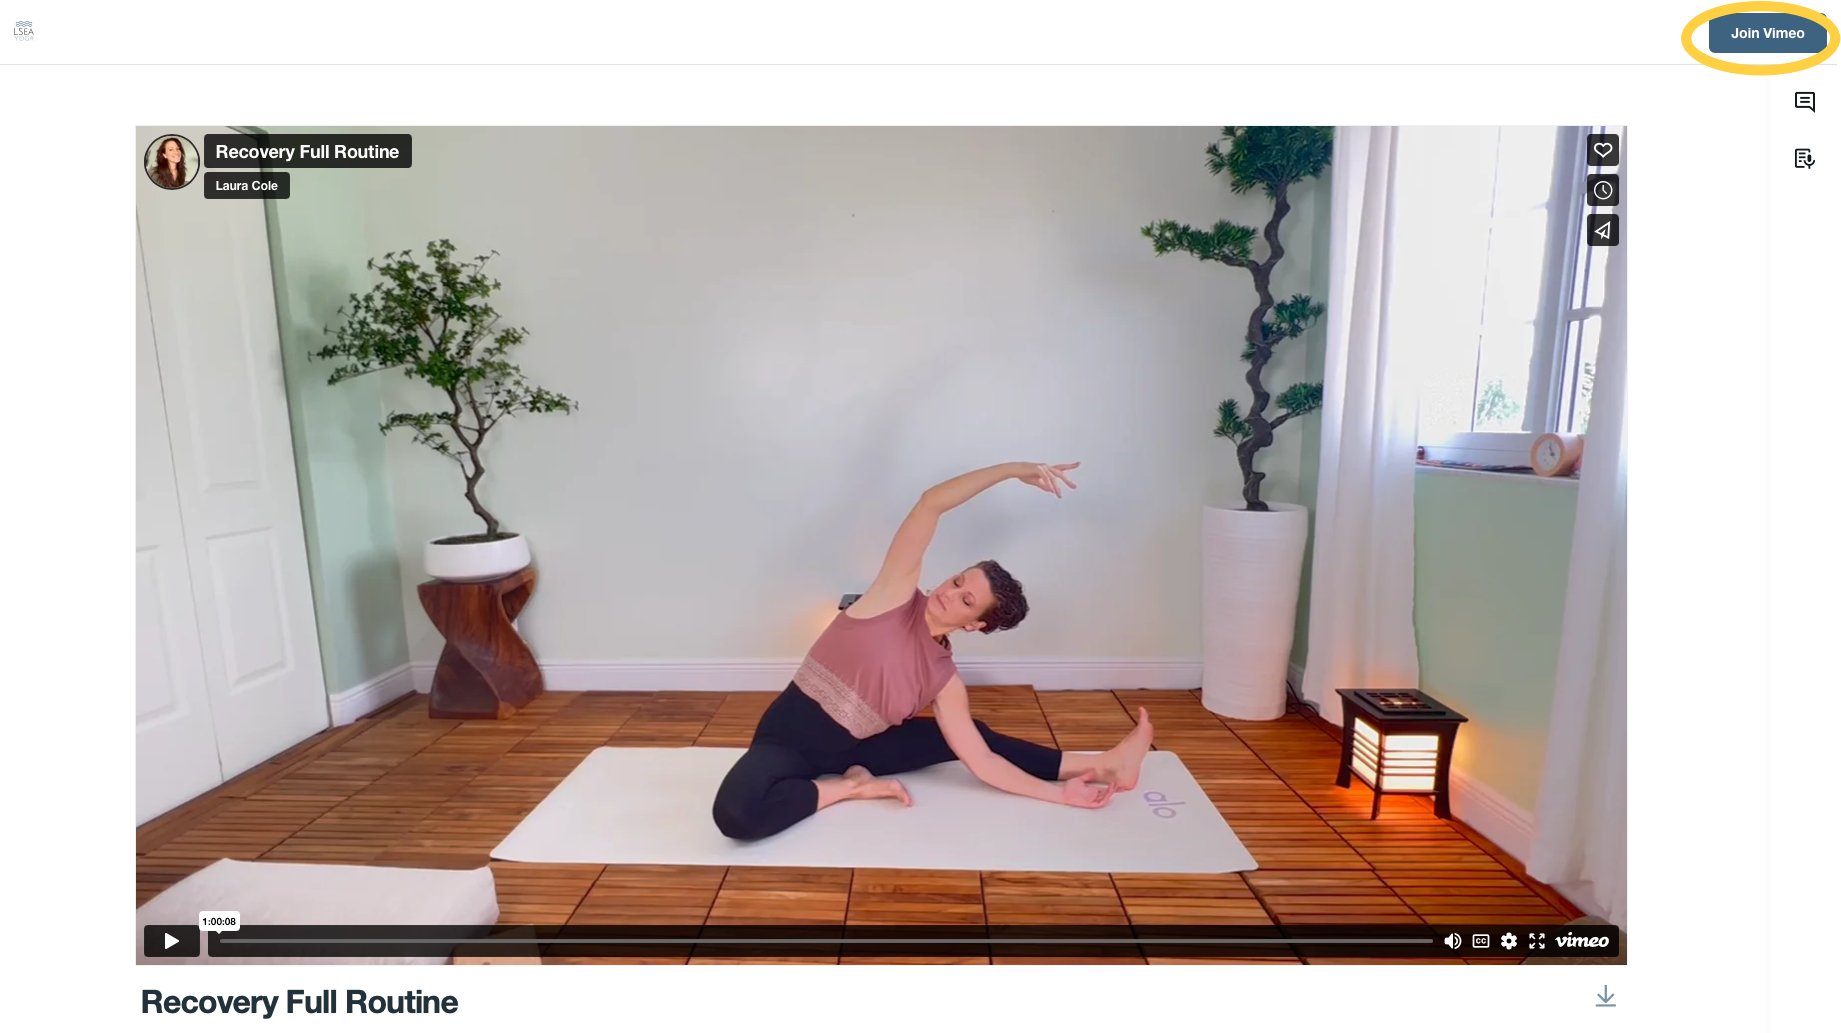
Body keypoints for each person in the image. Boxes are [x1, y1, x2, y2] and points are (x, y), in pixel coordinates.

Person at [712, 461, 1155, 841]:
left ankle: (1102, 766)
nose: (949, 593)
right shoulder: (892, 596)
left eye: (966, 600)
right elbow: (931, 503)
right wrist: (1013, 471)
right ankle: (851, 790)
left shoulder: (945, 678)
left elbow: (982, 762)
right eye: (958, 581)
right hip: (787, 743)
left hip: (857, 750)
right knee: (735, 814)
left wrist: (1060, 796)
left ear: (975, 624)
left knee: (972, 734)